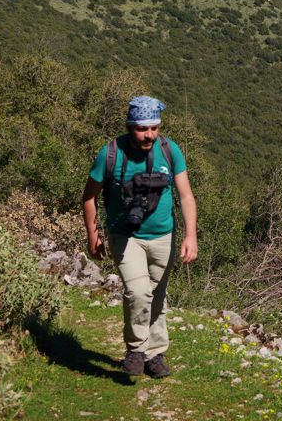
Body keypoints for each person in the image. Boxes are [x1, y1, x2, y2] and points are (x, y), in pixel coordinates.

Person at [82, 95, 197, 378]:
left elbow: (186, 195)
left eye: (154, 128)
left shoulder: (171, 151)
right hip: (125, 236)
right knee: (138, 292)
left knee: (157, 294)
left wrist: (190, 235)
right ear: (130, 126)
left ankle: (155, 354)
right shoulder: (110, 154)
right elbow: (89, 197)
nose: (149, 135)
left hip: (163, 237)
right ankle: (136, 349)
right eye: (142, 129)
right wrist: (92, 235)